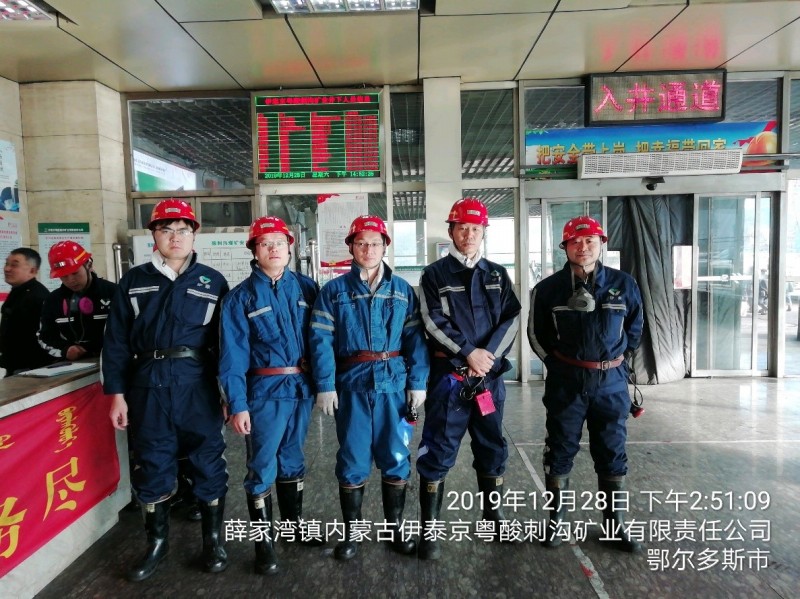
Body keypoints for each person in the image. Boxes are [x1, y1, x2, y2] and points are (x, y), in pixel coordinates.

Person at [102, 199, 229, 581]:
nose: (175, 237)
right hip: (148, 386)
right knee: (152, 461)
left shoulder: (212, 281)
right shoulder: (134, 281)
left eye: (183, 230)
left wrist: (228, 395)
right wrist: (117, 394)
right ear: (154, 235)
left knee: (208, 460)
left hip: (197, 385)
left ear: (194, 235)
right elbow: (116, 342)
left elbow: (226, 344)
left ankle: (213, 540)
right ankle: (156, 543)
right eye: (166, 230)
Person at [309, 215, 429, 562]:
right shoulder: (333, 292)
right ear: (351, 247)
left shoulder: (402, 290)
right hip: (352, 386)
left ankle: (395, 529)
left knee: (396, 456)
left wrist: (418, 382)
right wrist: (325, 385)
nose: (368, 249)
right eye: (361, 242)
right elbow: (320, 340)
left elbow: (415, 339)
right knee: (352, 458)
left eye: (375, 243)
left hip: (394, 386)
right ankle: (352, 533)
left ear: (385, 246)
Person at [527, 215, 643, 552]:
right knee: (560, 448)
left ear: (601, 244)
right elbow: (537, 334)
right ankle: (557, 521)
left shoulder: (624, 284)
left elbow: (635, 329)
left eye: (590, 240)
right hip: (567, 383)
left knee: (612, 450)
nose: (583, 247)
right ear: (564, 246)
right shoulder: (547, 289)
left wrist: (616, 364)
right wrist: (559, 367)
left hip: (611, 383)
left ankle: (614, 524)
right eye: (575, 241)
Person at [415, 198, 521, 560]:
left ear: (483, 232)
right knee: (438, 448)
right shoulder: (434, 275)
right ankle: (429, 529)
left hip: (488, 381)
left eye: (476, 228)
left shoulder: (497, 275)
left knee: (492, 446)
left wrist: (486, 358)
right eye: (462, 227)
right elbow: (432, 321)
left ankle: (494, 517)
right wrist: (467, 353)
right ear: (451, 231)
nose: (469, 234)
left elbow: (512, 318)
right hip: (450, 380)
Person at [219, 215, 321, 576]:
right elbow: (232, 357)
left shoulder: (308, 289)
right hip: (263, 393)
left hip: (301, 389)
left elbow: (323, 341)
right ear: (254, 250)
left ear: (290, 247)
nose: (273, 248)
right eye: (265, 243)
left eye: (279, 242)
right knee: (262, 465)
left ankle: (293, 528)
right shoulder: (240, 298)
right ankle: (263, 543)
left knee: (292, 458)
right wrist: (238, 404)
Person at [38, 240, 118, 362]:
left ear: (89, 265)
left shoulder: (114, 292)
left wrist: (94, 348)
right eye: (64, 276)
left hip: (114, 360)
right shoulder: (53, 300)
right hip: (74, 366)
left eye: (75, 273)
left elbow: (129, 330)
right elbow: (45, 337)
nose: (70, 280)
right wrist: (66, 350)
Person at [1, 248, 53, 376]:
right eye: (7, 263)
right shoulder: (18, 292)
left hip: (32, 370)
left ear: (32, 271)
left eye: (14, 265)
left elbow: (44, 338)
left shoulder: (37, 296)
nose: (7, 269)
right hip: (15, 367)